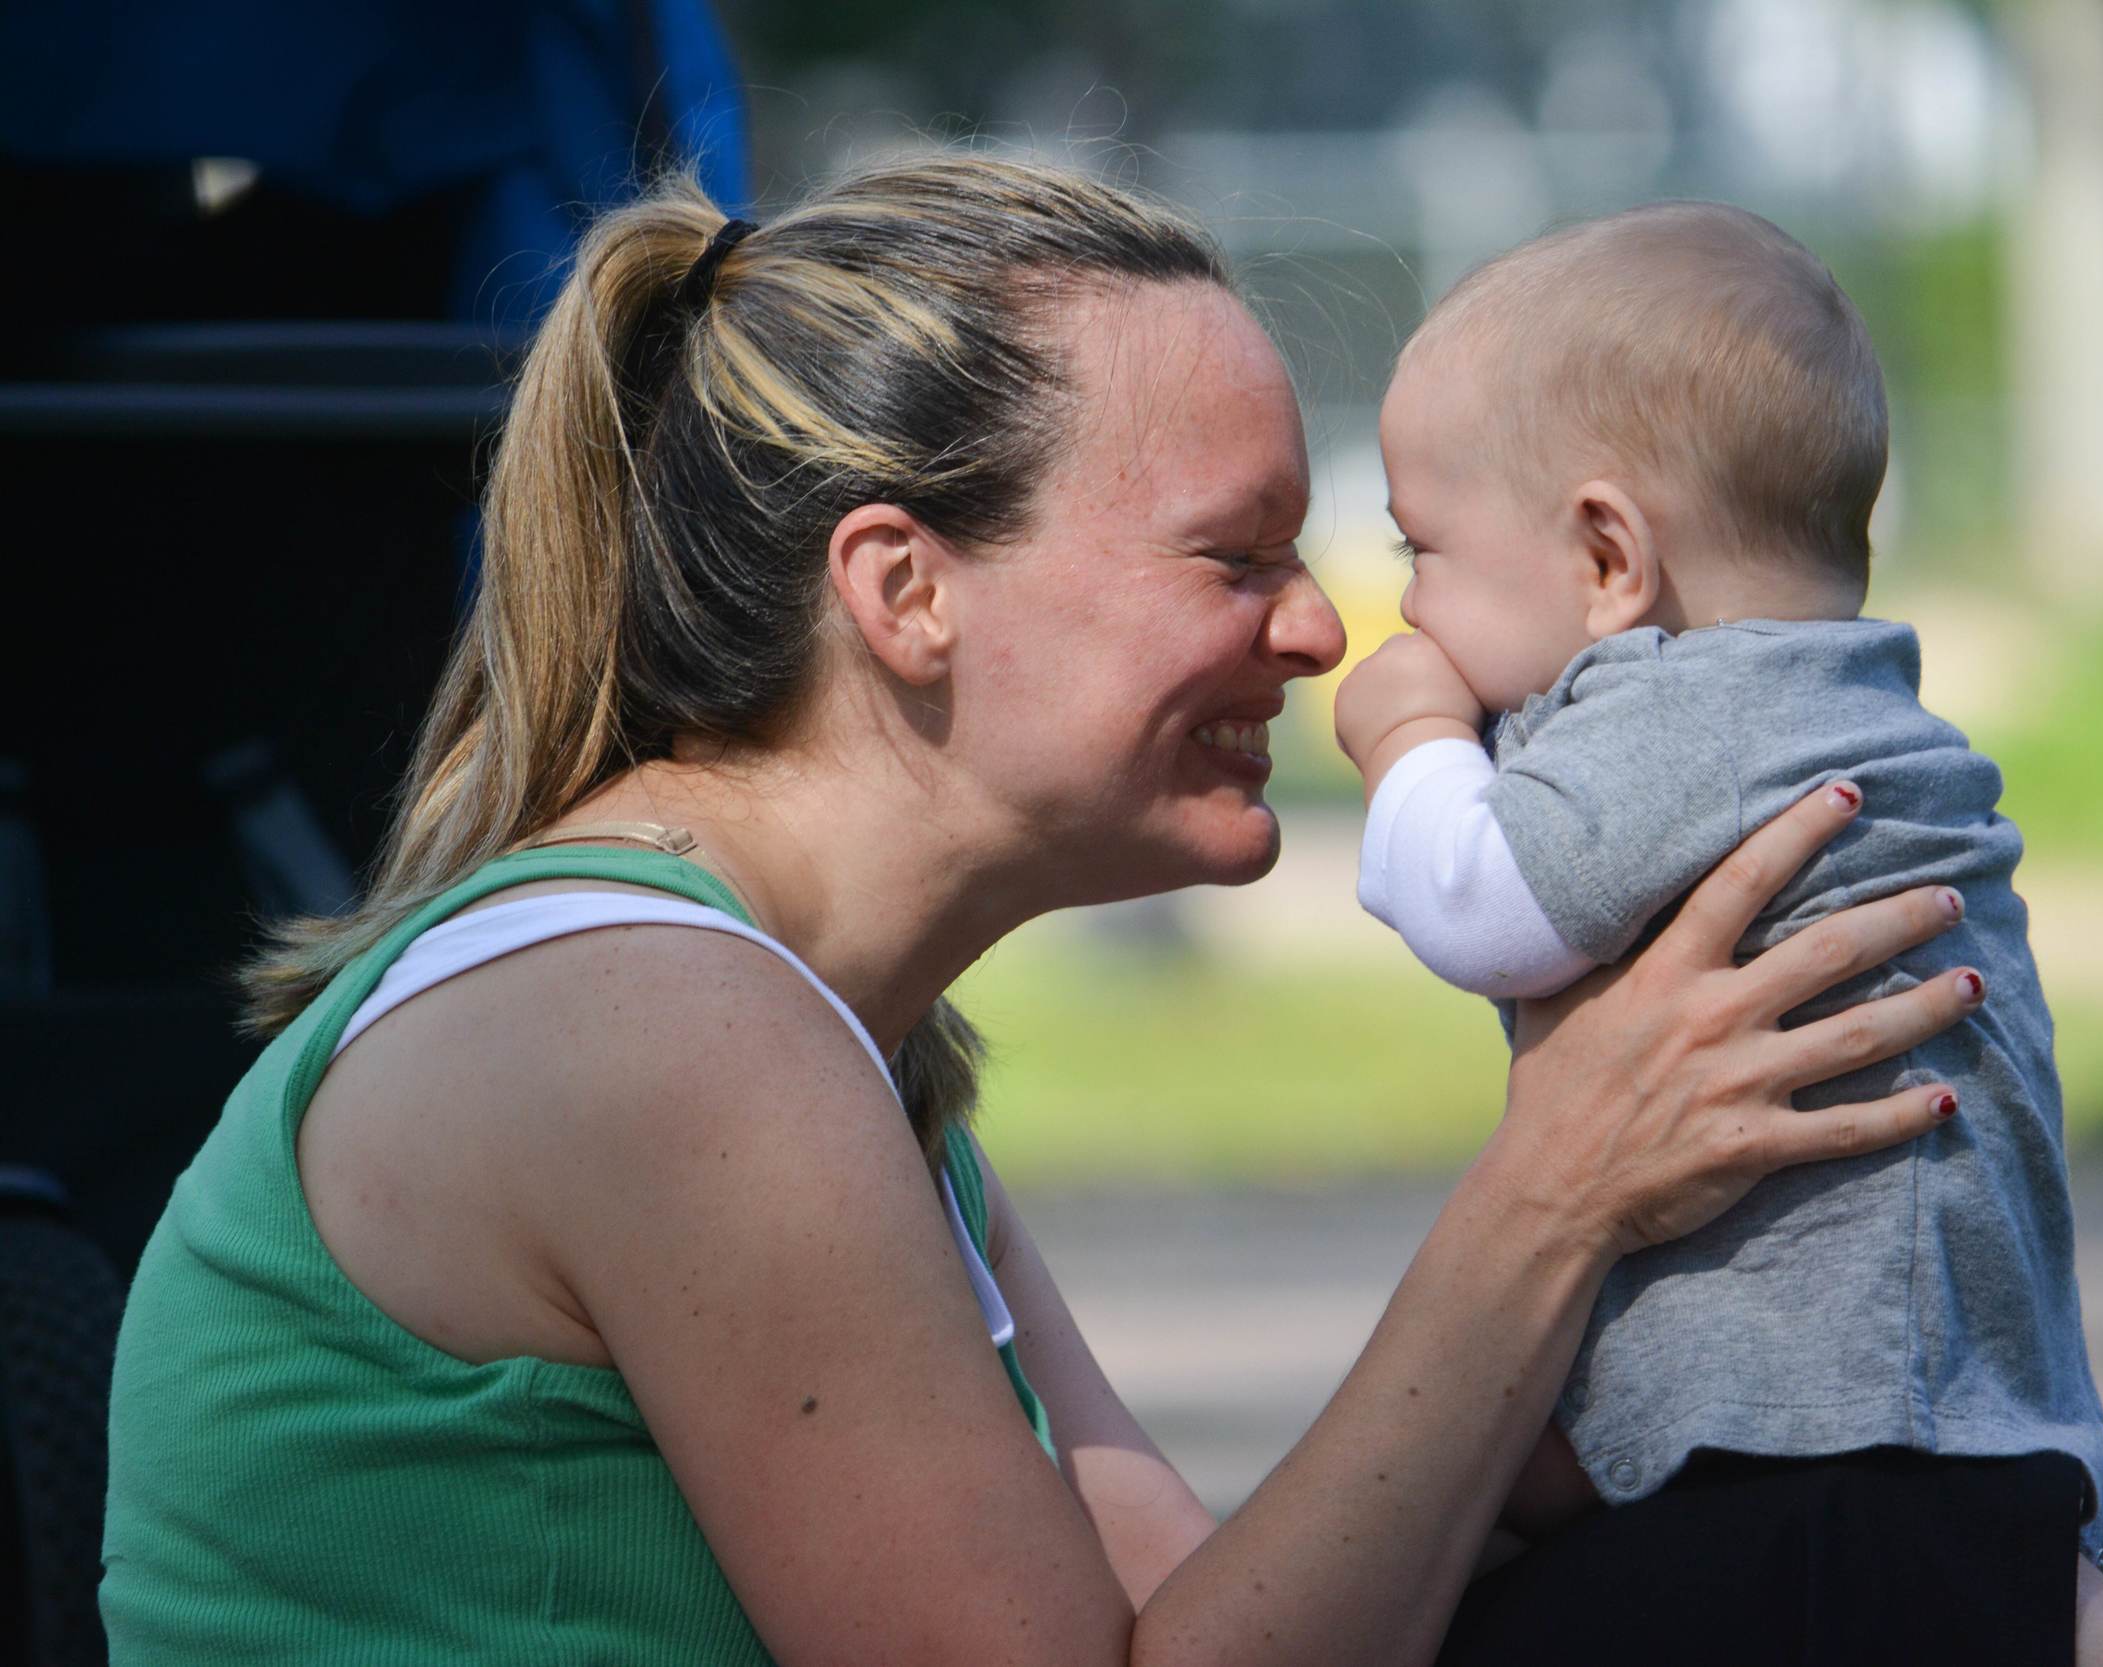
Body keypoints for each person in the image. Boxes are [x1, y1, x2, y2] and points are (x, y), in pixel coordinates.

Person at [102, 157, 1997, 1665]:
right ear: (904, 590)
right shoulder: (662, 1038)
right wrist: (1556, 1191)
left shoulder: (819, 1047)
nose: (1331, 627)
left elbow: (1222, 1619)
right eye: (1236, 555)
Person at [1333, 203, 2103, 1663]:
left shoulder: (1691, 709)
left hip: (1825, 1420)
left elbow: (1480, 902)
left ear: (1606, 558)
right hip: (1919, 1363)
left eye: (1425, 547)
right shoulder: (1843, 700)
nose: (1405, 601)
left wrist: (1406, 742)